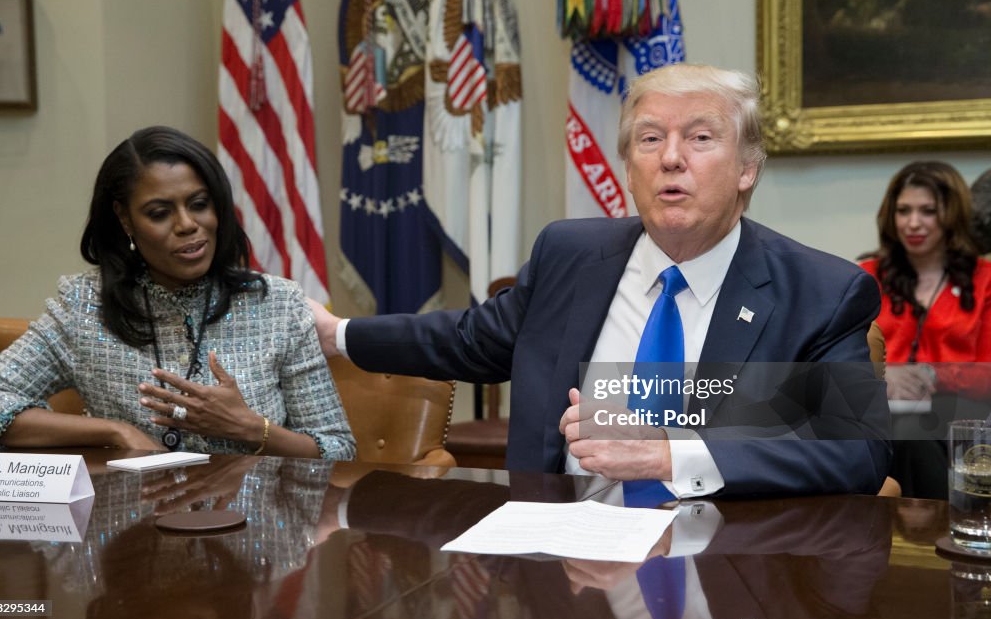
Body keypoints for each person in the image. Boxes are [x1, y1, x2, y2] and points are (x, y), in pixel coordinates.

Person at [311, 63, 889, 496]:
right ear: (628, 169)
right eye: (650, 138)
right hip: (558, 560)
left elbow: (857, 453)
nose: (671, 158)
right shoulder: (570, 254)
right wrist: (338, 334)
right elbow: (468, 339)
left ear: (746, 169)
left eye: (701, 138)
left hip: (721, 564)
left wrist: (670, 454)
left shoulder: (819, 292)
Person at [0, 126, 355, 459]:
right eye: (159, 212)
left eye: (199, 205)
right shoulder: (85, 306)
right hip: (131, 531)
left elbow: (338, 448)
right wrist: (113, 432)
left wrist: (252, 429)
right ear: (125, 219)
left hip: (256, 533)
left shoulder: (277, 304)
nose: (188, 225)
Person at [859, 161, 991, 497]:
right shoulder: (865, 277)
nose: (913, 223)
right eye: (903, 211)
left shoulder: (984, 280)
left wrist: (930, 376)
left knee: (912, 431)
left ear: (952, 214)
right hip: (879, 415)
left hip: (960, 419)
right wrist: (886, 378)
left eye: (928, 211)